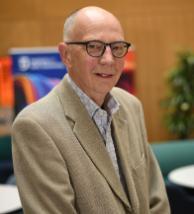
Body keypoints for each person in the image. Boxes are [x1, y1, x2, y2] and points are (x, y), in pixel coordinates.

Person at [12, 6, 170, 214]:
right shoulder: (35, 126)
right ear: (66, 55)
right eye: (94, 47)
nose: (108, 59)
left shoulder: (131, 106)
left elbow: (156, 200)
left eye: (117, 47)